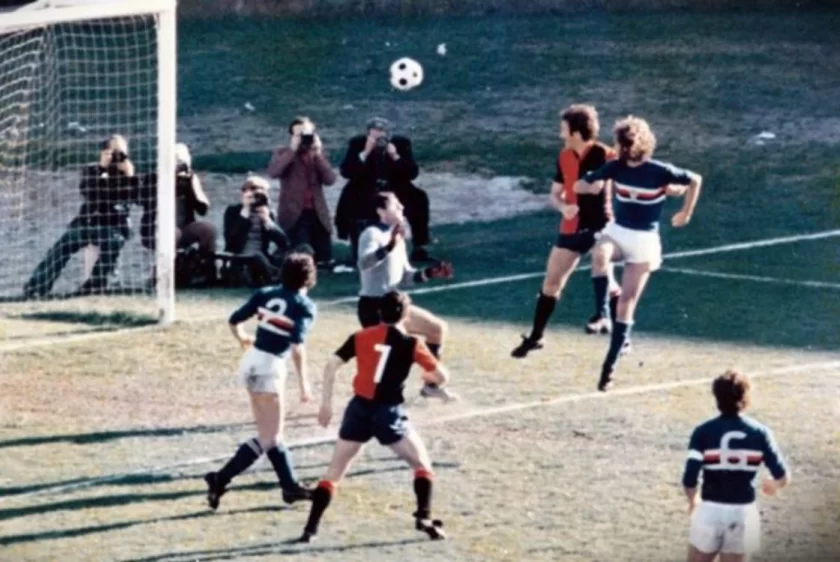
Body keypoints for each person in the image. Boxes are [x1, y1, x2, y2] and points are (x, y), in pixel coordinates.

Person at [297, 291, 449, 543]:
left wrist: (326, 404)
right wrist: (431, 378)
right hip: (388, 412)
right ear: (406, 315)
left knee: (334, 471)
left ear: (379, 312)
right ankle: (423, 518)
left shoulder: (360, 336)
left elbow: (331, 365)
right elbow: (440, 376)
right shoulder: (412, 343)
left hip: (358, 409)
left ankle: (310, 529)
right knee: (422, 465)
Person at [574, 116, 702, 391]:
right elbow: (586, 182)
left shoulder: (659, 170)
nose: (621, 148)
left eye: (625, 143)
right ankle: (601, 315)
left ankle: (609, 367)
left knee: (626, 304)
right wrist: (584, 184)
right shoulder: (615, 167)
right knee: (599, 255)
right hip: (619, 231)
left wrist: (686, 213)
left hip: (644, 241)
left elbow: (695, 180)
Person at [204, 252, 317, 510]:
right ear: (310, 278)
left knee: (268, 435)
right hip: (270, 367)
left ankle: (285, 486)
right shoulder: (304, 306)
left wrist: (242, 338)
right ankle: (227, 479)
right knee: (272, 437)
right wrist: (304, 384)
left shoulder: (266, 293)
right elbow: (297, 347)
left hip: (251, 362)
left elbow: (234, 320)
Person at [511, 104, 625, 359]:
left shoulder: (604, 154)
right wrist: (564, 207)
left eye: (564, 128)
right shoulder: (564, 156)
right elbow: (554, 194)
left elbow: (595, 188)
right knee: (551, 282)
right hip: (571, 227)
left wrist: (579, 189)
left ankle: (617, 333)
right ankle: (536, 337)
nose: (560, 133)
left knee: (604, 273)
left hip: (600, 226)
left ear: (576, 132)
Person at [682, 370, 790, 562]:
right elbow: (782, 475)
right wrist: (775, 485)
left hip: (710, 510)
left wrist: (693, 500)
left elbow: (690, 478)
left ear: (717, 398)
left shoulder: (702, 432)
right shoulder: (760, 433)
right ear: (745, 398)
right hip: (743, 513)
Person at [356, 192, 455, 401]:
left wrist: (431, 273)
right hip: (375, 307)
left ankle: (430, 386)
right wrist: (388, 247)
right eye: (396, 205)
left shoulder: (398, 238)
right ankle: (370, 399)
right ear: (381, 211)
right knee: (388, 361)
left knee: (437, 329)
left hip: (396, 305)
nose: (402, 207)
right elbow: (364, 263)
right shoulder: (371, 234)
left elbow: (406, 277)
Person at [24, 134, 138, 298]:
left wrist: (130, 177)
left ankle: (95, 285)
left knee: (114, 242)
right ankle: (37, 286)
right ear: (104, 152)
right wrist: (102, 169)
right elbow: (87, 192)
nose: (117, 156)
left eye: (121, 152)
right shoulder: (92, 170)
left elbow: (135, 198)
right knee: (62, 246)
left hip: (114, 226)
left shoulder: (128, 174)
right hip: (87, 222)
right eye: (113, 151)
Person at [335, 117, 432, 264]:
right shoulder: (357, 144)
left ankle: (420, 245)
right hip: (365, 188)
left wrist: (395, 156)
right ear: (368, 134)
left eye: (382, 133)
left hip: (395, 188)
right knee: (349, 199)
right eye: (375, 133)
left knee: (419, 198)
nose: (379, 138)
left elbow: (412, 173)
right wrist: (365, 153)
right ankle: (355, 244)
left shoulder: (401, 144)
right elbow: (346, 172)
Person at [139, 143, 218, 286]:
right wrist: (165, 180)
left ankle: (206, 270)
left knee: (208, 229)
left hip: (184, 227)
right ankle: (166, 272)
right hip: (156, 228)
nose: (177, 165)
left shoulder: (188, 179)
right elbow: (144, 202)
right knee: (171, 233)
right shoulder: (152, 178)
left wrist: (192, 185)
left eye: (180, 161)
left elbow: (202, 210)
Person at [267, 117, 337, 268]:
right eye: (299, 134)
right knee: (301, 254)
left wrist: (318, 154)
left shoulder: (316, 154)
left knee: (324, 256)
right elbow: (273, 172)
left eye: (307, 134)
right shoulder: (283, 152)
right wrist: (292, 150)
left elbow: (330, 179)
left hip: (317, 212)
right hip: (294, 213)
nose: (304, 138)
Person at [222, 175, 290, 286]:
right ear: (244, 192)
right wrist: (245, 213)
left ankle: (275, 274)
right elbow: (232, 243)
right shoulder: (233, 211)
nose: (257, 195)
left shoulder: (267, 212)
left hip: (262, 257)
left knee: (292, 251)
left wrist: (267, 221)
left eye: (262, 191)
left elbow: (284, 243)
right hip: (241, 257)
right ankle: (274, 276)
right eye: (253, 190)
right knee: (257, 256)